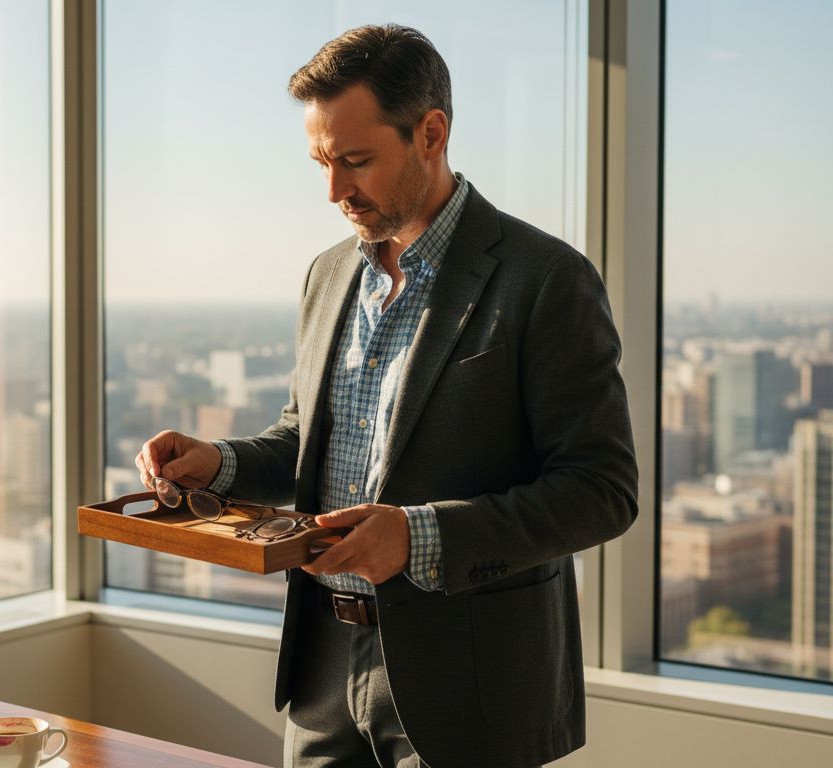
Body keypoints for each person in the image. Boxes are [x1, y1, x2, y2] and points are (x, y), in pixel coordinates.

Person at [134, 24, 638, 768]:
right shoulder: (328, 274)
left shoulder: (546, 280)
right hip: (323, 673)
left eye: (356, 161)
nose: (334, 190)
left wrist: (417, 535)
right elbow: (310, 441)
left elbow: (602, 491)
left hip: (471, 689)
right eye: (321, 162)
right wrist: (219, 463)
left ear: (431, 133)